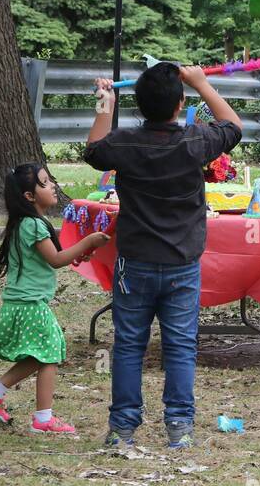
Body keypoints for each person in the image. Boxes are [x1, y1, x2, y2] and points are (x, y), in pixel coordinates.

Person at [85, 61, 243, 450]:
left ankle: (122, 428)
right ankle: (179, 426)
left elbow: (93, 152)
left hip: (134, 264)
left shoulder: (124, 143)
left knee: (128, 345)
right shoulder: (194, 141)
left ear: (138, 105)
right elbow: (234, 126)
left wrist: (105, 103)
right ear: (180, 103)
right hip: (182, 266)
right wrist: (203, 84)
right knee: (180, 345)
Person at [0, 164, 110, 435]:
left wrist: (78, 252)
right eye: (45, 183)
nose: (53, 186)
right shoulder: (33, 225)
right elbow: (56, 260)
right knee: (50, 353)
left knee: (43, 354)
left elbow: (50, 257)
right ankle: (43, 419)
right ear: (29, 197)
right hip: (30, 304)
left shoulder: (25, 223)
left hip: (22, 303)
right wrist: (89, 241)